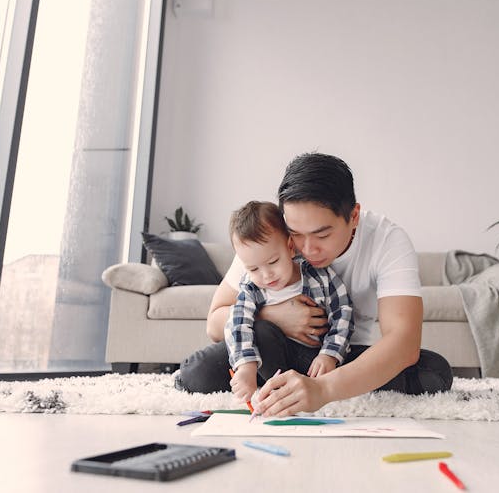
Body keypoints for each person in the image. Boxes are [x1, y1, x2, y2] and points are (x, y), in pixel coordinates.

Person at [177, 152, 453, 416]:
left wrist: (324, 390)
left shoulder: (388, 241)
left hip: (340, 356)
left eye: (322, 234)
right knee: (197, 373)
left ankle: (295, 386)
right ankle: (281, 384)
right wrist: (275, 316)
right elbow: (214, 324)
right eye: (296, 234)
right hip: (272, 346)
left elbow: (403, 342)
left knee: (434, 372)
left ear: (353, 216)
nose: (307, 249)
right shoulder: (270, 236)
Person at [224, 201, 354, 404]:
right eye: (254, 269)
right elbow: (238, 323)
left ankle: (285, 388)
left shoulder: (318, 276)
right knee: (200, 371)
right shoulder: (251, 287)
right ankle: (265, 381)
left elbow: (343, 313)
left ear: (290, 247)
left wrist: (329, 355)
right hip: (266, 358)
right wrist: (246, 367)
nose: (266, 275)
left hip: (311, 359)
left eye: (273, 262)